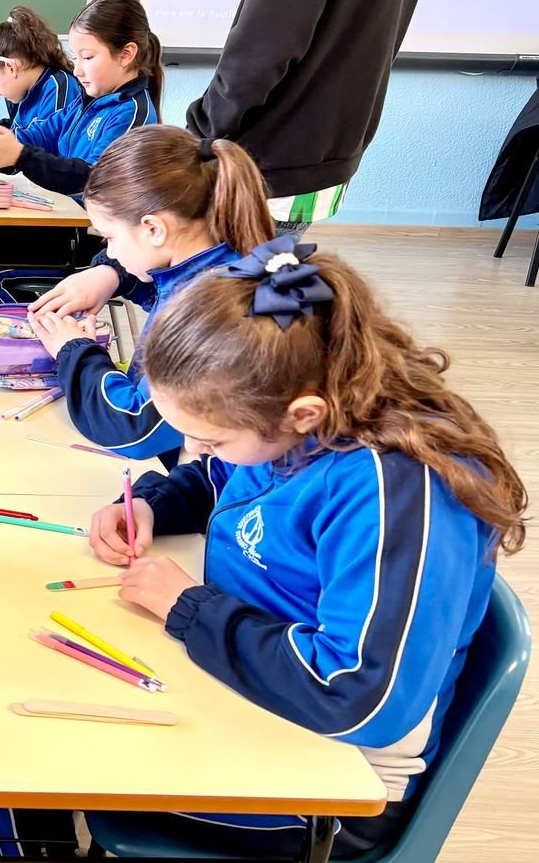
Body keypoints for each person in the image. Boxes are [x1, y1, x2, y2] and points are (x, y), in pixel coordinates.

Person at [88, 238, 526, 856]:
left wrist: (191, 610)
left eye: (207, 439)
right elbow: (234, 478)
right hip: (257, 697)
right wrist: (157, 503)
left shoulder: (397, 492)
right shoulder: (306, 410)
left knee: (77, 764)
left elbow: (359, 693)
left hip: (331, 784)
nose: (201, 451)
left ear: (300, 413)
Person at [184, 0, 457, 237]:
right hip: (319, 158)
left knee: (216, 295)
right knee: (260, 291)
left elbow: (267, 41)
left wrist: (202, 131)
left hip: (259, 161)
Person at [25, 128, 275, 461]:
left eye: (109, 238)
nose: (110, 252)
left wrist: (73, 350)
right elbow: (164, 284)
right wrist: (110, 274)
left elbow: (134, 427)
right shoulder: (220, 261)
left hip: (196, 480)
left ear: (154, 229)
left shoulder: (213, 310)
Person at [0, 0, 160, 198]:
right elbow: (43, 135)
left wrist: (21, 156)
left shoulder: (131, 113)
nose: (78, 70)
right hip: (67, 215)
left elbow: (93, 179)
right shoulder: (86, 103)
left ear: (126, 55)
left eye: (87, 57)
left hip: (89, 227)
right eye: (76, 57)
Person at [0, 5, 83, 146]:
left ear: (11, 68)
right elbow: (26, 128)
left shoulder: (59, 87)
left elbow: (47, 142)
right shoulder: (25, 90)